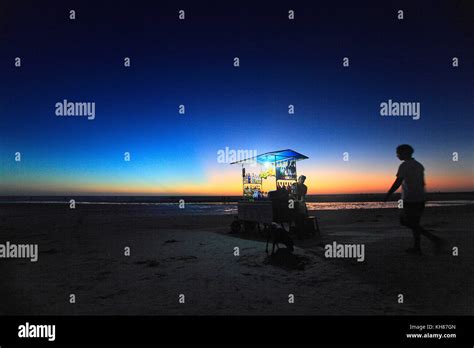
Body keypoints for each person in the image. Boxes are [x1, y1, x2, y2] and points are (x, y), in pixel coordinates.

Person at [384, 144, 446, 255]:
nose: (397, 155)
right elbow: (422, 183)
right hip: (420, 198)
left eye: (398, 153)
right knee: (414, 223)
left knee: (405, 221)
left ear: (405, 153)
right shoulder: (419, 165)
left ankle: (434, 239)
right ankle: (418, 247)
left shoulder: (404, 165)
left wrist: (388, 194)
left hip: (410, 199)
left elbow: (398, 182)